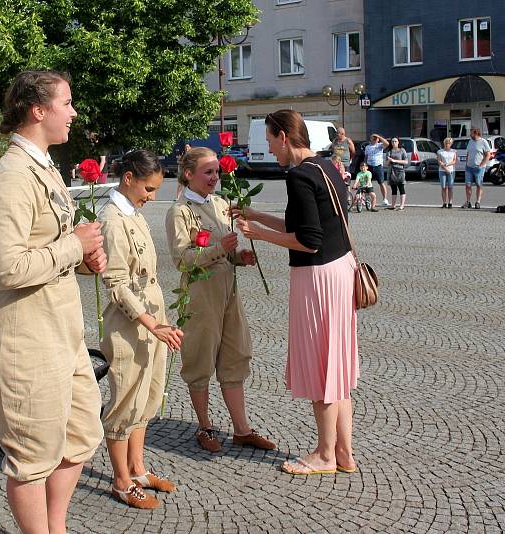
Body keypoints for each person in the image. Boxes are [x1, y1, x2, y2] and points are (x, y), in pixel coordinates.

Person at [0, 70, 107, 534]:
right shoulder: (12, 177)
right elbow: (8, 268)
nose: (73, 112)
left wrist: (86, 259)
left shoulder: (45, 167)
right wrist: (73, 245)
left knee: (82, 435)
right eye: (66, 103)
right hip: (25, 337)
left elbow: (49, 250)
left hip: (61, 332)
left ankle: (57, 527)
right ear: (38, 111)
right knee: (31, 455)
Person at [236, 110, 358, 476]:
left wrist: (260, 235)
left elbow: (307, 239)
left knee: (322, 365)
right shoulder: (326, 167)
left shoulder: (299, 176)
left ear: (284, 137)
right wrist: (256, 215)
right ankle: (344, 454)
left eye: (272, 141)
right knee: (335, 364)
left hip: (317, 279)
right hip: (340, 272)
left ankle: (323, 454)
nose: (270, 149)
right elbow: (306, 221)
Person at [165, 146, 276, 454]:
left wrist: (239, 257)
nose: (215, 177)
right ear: (189, 175)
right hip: (200, 296)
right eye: (208, 172)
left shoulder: (220, 203)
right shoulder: (180, 211)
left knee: (235, 356)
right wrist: (218, 249)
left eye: (217, 171)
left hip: (228, 292)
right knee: (200, 359)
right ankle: (205, 425)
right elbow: (182, 260)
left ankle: (241, 429)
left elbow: (225, 252)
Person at [100, 150, 183, 510]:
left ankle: (137, 469)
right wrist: (151, 324)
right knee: (125, 403)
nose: (152, 197)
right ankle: (121, 481)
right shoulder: (112, 218)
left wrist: (159, 323)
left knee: (146, 399)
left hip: (152, 323)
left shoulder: (132, 213)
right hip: (129, 326)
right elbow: (116, 283)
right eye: (148, 189)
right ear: (128, 177)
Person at [463, 127, 491, 209]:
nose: (470, 135)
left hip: (479, 168)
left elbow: (488, 155)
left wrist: (482, 165)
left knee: (479, 185)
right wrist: (466, 163)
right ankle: (468, 202)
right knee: (468, 185)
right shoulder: (470, 141)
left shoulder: (483, 142)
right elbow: (468, 153)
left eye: (471, 133)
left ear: (475, 133)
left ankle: (478, 202)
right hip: (469, 167)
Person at [363, 133, 390, 206]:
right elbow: (366, 157)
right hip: (370, 166)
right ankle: (367, 199)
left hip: (378, 166)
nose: (375, 139)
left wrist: (379, 137)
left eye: (376, 138)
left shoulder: (380, 145)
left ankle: (385, 199)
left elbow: (387, 144)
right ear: (370, 139)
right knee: (367, 183)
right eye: (373, 138)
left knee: (381, 182)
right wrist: (365, 165)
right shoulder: (368, 147)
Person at [386, 137, 408, 210]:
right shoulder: (389, 151)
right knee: (393, 188)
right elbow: (386, 163)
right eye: (392, 141)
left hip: (400, 171)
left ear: (398, 142)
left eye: (395, 141)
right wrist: (389, 160)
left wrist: (395, 161)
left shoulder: (402, 150)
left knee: (401, 187)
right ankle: (393, 205)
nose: (394, 143)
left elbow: (406, 161)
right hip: (392, 171)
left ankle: (402, 205)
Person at [437, 138, 457, 208]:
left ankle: (450, 202)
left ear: (451, 144)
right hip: (442, 171)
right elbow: (439, 161)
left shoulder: (454, 151)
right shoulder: (440, 151)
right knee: (443, 187)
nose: (447, 145)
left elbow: (454, 161)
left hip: (451, 170)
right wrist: (445, 169)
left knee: (450, 187)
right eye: (446, 143)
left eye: (449, 143)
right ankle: (444, 202)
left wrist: (447, 165)